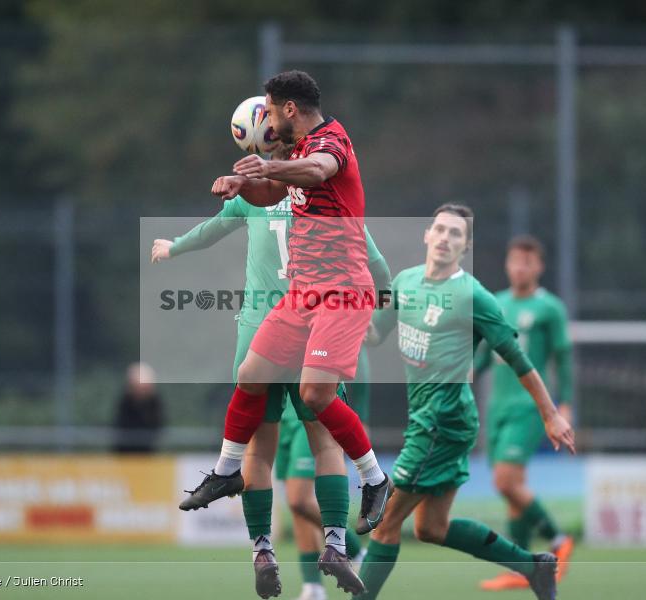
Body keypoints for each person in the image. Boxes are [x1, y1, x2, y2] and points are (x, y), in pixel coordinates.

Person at [182, 70, 393, 593]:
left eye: (271, 110)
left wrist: (268, 165)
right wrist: (243, 184)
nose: (268, 119)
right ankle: (226, 471)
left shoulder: (330, 142)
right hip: (302, 293)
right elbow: (271, 191)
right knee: (250, 374)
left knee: (315, 395)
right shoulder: (293, 153)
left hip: (341, 290)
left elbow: (318, 171)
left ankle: (374, 478)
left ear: (289, 109)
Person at [358, 205, 575, 600]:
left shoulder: (472, 295)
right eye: (440, 229)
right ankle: (534, 566)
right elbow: (374, 333)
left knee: (385, 522)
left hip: (441, 423)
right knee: (431, 528)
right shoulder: (405, 282)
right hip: (433, 420)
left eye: (455, 233)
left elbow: (517, 359)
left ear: (465, 246)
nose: (445, 238)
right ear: (427, 235)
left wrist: (551, 414)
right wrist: (339, 313)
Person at [473, 235, 575, 590]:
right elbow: (484, 355)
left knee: (505, 480)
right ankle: (523, 568)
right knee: (511, 486)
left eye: (528, 262)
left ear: (539, 267)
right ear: (507, 264)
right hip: (497, 407)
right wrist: (463, 376)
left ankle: (558, 539)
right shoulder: (496, 303)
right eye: (516, 260)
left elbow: (563, 359)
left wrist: (565, 405)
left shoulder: (550, 308)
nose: (520, 267)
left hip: (530, 407)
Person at [113, 363, 165, 454]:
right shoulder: (125, 403)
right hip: (124, 454)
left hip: (148, 454)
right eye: (137, 387)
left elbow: (157, 427)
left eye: (144, 388)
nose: (140, 391)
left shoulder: (155, 403)